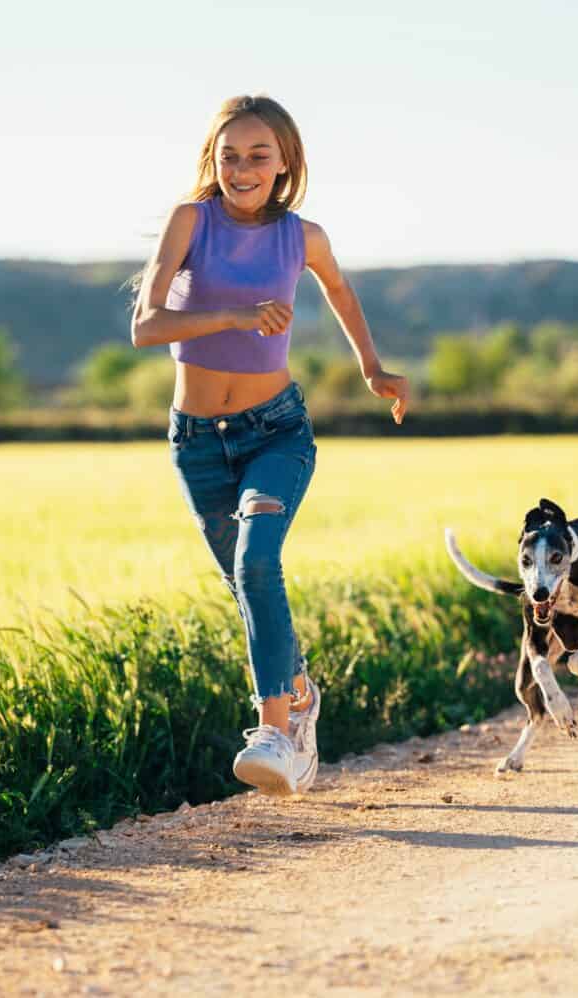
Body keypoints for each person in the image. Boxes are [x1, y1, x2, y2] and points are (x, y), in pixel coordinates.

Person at [131, 94, 409, 796]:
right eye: (230, 155)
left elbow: (343, 294)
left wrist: (373, 368)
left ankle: (278, 734)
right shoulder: (189, 221)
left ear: (285, 162)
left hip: (276, 431)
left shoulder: (303, 236)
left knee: (258, 563)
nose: (243, 167)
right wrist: (233, 314)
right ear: (213, 161)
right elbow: (145, 325)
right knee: (244, 583)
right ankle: (302, 696)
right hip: (197, 443)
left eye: (259, 155)